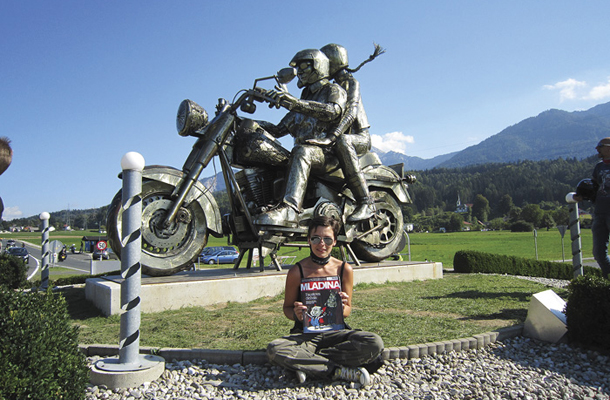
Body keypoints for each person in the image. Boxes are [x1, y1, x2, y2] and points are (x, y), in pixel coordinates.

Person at [266, 216, 384, 385]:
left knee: (374, 343)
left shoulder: (344, 269)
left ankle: (309, 365)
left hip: (336, 334)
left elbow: (348, 310)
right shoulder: (296, 271)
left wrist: (342, 307)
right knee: (274, 349)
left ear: (335, 241)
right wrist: (296, 314)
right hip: (306, 335)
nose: (322, 244)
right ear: (309, 240)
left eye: (328, 239)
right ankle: (335, 370)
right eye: (316, 238)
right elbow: (287, 308)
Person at [252, 49, 347, 226]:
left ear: (318, 66)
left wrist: (295, 103)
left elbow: (333, 111)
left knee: (302, 151)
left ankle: (291, 209)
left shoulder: (333, 90)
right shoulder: (303, 101)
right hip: (309, 156)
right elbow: (278, 129)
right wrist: (248, 123)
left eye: (304, 66)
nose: (300, 72)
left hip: (329, 155)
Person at [319, 43, 383, 222]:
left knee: (343, 142)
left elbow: (351, 112)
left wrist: (332, 136)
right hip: (337, 137)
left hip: (359, 138)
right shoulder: (330, 87)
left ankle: (366, 202)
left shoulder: (351, 83)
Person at [574, 137, 610, 279]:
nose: (597, 149)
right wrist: (582, 196)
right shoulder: (598, 167)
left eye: (599, 146)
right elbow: (594, 188)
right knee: (598, 253)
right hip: (599, 213)